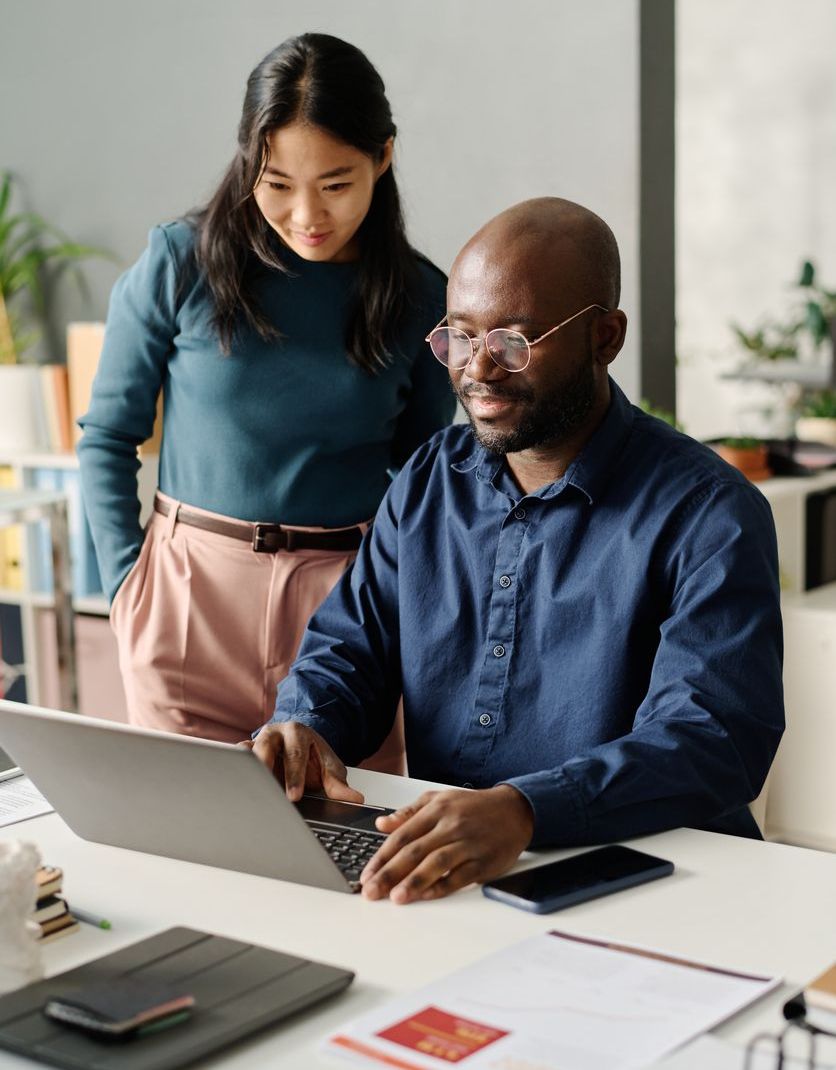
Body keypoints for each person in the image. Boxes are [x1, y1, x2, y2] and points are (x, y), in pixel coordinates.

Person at [253, 196, 785, 904]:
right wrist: (306, 726)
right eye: (460, 338)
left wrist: (527, 809)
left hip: (660, 886)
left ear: (605, 337)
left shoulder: (709, 512)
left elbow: (711, 738)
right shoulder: (426, 482)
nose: (479, 371)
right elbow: (350, 649)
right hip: (458, 874)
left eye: (513, 342)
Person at [77, 34, 454, 752]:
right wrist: (128, 586)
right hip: (190, 602)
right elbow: (108, 434)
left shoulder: (420, 298)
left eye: (336, 184)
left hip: (347, 619)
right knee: (187, 842)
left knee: (344, 842)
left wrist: (410, 610)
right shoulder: (179, 262)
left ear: (384, 157)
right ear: (248, 162)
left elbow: (422, 485)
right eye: (277, 184)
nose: (307, 214)